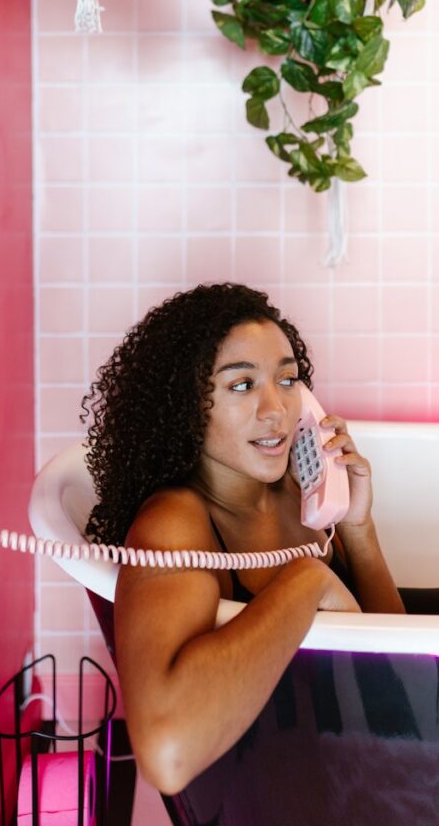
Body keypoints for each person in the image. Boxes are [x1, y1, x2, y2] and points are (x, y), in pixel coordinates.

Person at [81, 283, 404, 796]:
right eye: (241, 385)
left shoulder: (295, 492)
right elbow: (168, 754)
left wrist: (357, 529)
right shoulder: (174, 523)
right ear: (186, 405)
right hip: (271, 784)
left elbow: (396, 663)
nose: (275, 409)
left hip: (350, 759)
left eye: (288, 378)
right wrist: (306, 579)